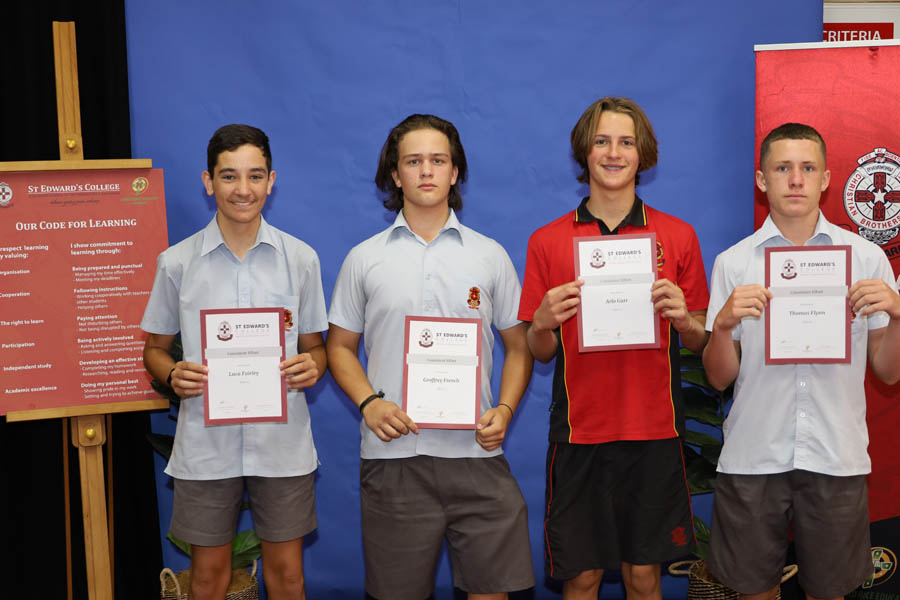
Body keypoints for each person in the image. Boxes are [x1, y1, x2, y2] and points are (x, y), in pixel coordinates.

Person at [326, 113, 535, 600]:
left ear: (455, 172)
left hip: (477, 453)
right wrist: (368, 403)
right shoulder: (364, 258)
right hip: (394, 456)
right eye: (413, 161)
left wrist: (505, 409)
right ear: (395, 175)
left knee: (493, 592)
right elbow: (338, 346)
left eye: (438, 160)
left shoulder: (489, 255)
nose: (426, 171)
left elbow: (520, 345)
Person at [518, 97, 709, 600]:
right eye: (601, 141)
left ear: (643, 154)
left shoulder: (678, 235)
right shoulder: (547, 240)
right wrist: (542, 323)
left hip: (654, 430)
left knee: (643, 577)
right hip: (580, 433)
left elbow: (700, 340)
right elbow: (540, 351)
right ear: (585, 151)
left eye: (626, 142)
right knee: (581, 578)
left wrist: (685, 321)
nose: (613, 153)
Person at [703, 122, 900, 600]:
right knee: (753, 592)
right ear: (761, 179)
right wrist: (723, 326)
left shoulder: (866, 259)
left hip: (835, 454)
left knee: (829, 593)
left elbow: (889, 372)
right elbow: (718, 378)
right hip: (753, 455)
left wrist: (897, 315)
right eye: (782, 168)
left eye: (808, 168)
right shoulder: (734, 263)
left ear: (826, 179)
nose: (796, 180)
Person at [141, 124, 327, 600]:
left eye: (255, 175)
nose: (243, 189)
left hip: (281, 444)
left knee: (288, 576)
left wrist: (314, 365)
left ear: (271, 181)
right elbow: (154, 349)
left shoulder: (301, 259)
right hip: (207, 446)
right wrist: (172, 372)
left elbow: (317, 348)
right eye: (229, 176)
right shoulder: (177, 263)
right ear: (208, 182)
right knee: (207, 578)